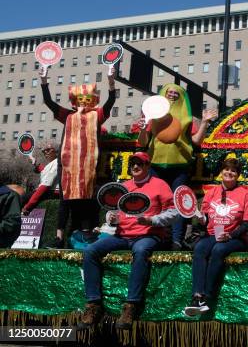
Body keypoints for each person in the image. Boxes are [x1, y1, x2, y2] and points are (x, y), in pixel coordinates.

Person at [78, 153, 178, 330]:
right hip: (122, 235)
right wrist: (111, 218)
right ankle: (93, 305)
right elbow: (114, 213)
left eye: (140, 163)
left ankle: (131, 306)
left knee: (140, 251)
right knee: (90, 251)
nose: (135, 166)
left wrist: (152, 220)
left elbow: (173, 212)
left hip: (148, 235)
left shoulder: (159, 184)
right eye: (132, 163)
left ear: (148, 166)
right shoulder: (123, 186)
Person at [39, 67, 116, 243]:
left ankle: (86, 232)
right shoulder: (67, 115)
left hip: (88, 163)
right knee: (65, 198)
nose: (83, 102)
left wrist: (111, 81)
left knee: (86, 197)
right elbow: (49, 101)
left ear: (92, 100)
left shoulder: (97, 115)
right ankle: (58, 237)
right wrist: (44, 81)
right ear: (74, 101)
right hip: (66, 163)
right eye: (80, 99)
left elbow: (111, 101)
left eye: (87, 99)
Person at [137, 83, 218, 250]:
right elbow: (143, 142)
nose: (172, 95)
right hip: (155, 165)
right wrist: (144, 129)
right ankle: (155, 237)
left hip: (180, 166)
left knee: (179, 203)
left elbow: (196, 142)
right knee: (155, 201)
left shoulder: (187, 118)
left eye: (176, 93)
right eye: (169, 92)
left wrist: (204, 123)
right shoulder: (152, 115)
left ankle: (176, 240)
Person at [183, 158, 248, 316]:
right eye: (226, 170)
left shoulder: (245, 195)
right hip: (213, 235)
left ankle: (207, 297)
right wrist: (202, 219)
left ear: (238, 175)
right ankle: (197, 297)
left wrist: (230, 235)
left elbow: (247, 224)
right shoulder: (212, 192)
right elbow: (205, 218)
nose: (229, 173)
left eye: (233, 171)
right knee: (200, 248)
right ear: (222, 172)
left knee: (219, 249)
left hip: (236, 238)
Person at [22, 140, 59, 214]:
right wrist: (35, 163)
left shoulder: (57, 163)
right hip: (50, 192)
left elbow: (44, 187)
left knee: (20, 199)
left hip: (52, 193)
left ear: (56, 151)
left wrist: (28, 206)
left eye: (48, 150)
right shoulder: (53, 163)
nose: (45, 152)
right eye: (43, 151)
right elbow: (44, 170)